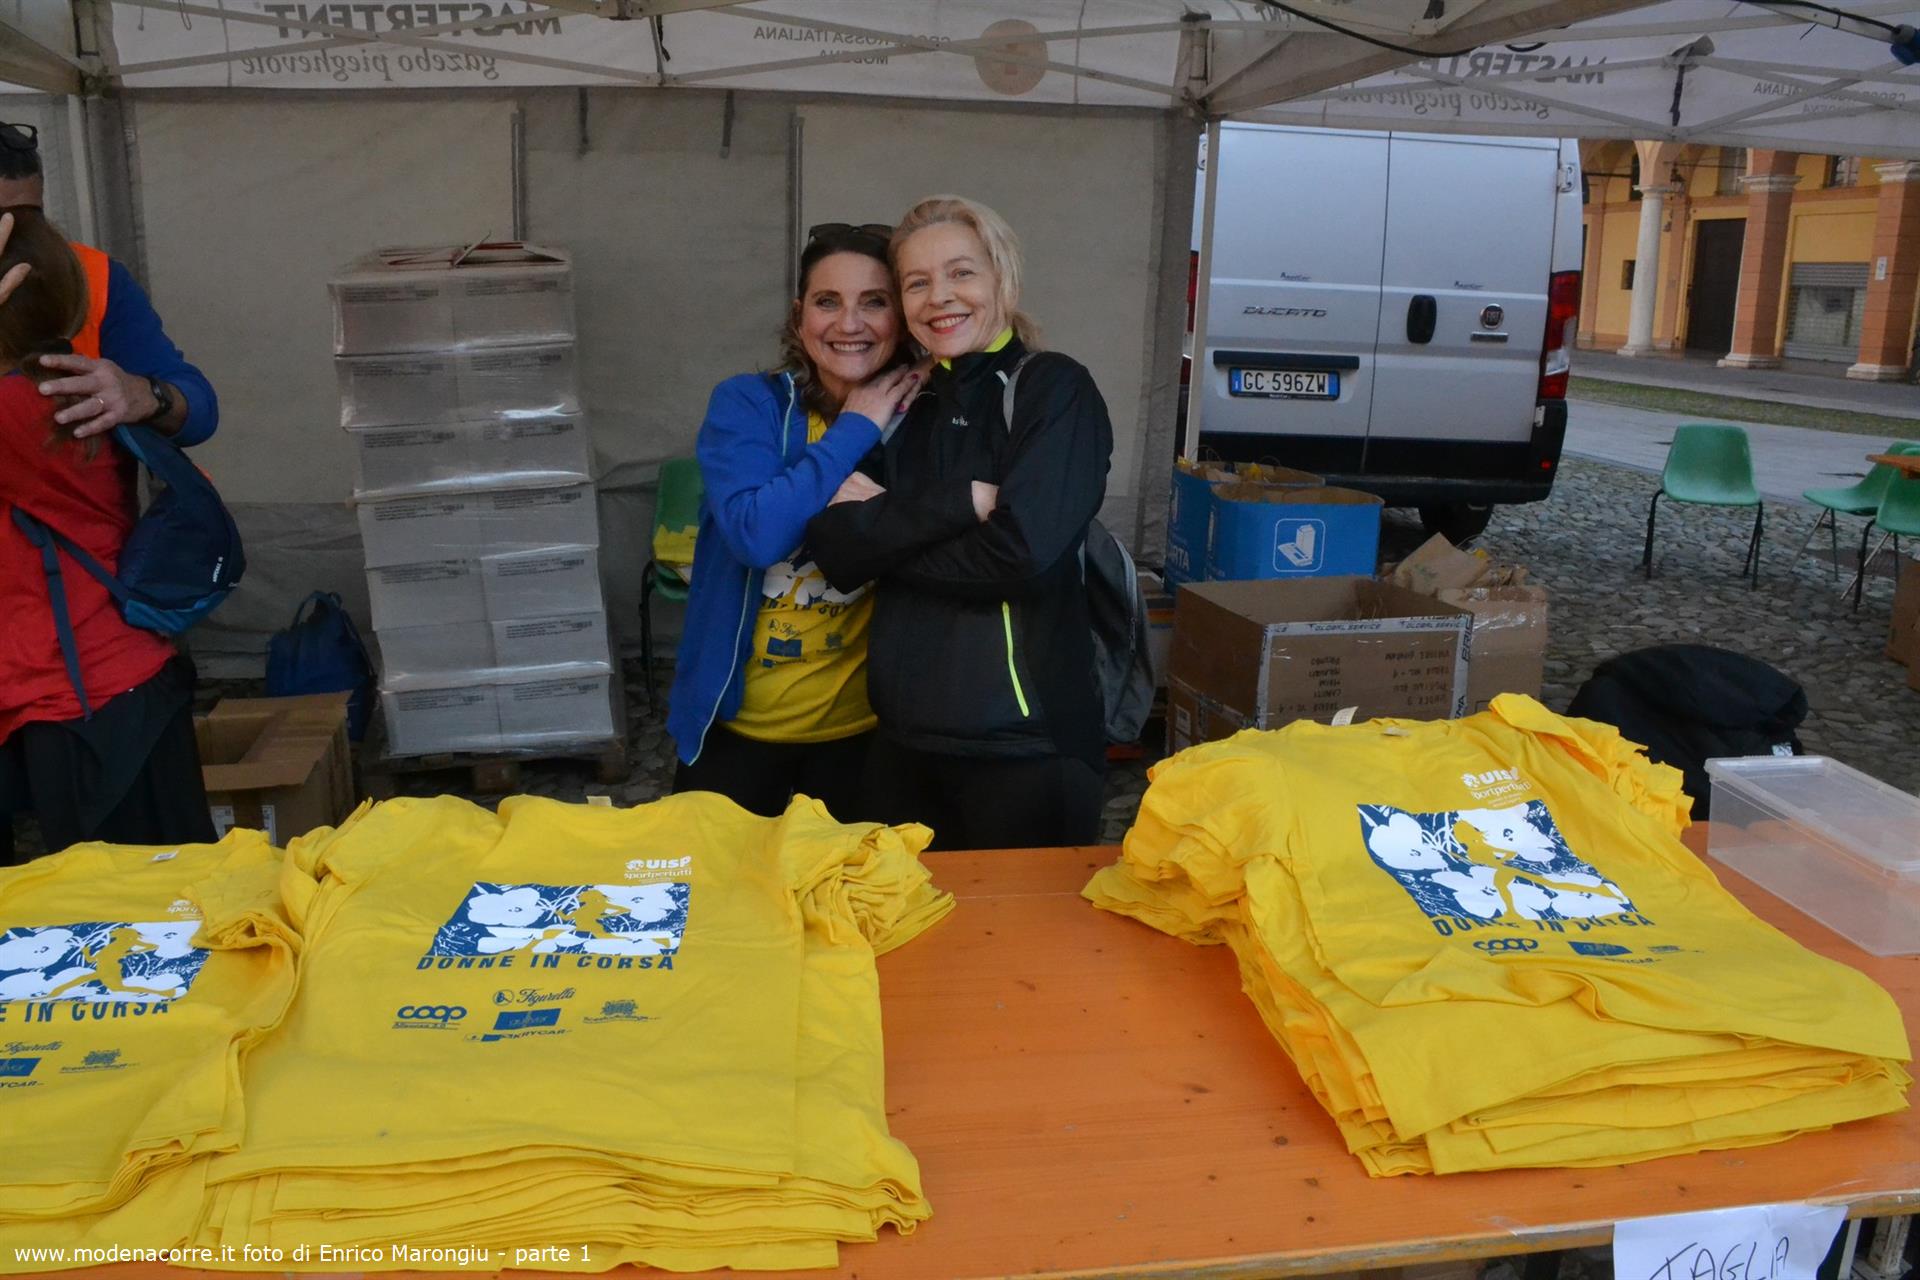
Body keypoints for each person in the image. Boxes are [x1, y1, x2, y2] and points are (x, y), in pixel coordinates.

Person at [806, 196, 1113, 850]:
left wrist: (885, 533)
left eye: (961, 273)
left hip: (1025, 749)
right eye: (917, 283)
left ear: (1002, 277)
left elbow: (1021, 556)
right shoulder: (907, 403)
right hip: (901, 746)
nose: (940, 297)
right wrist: (959, 506)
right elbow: (834, 549)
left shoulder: (1053, 389)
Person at [666, 223, 920, 820]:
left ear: (903, 318)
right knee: (716, 879)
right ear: (799, 315)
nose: (849, 324)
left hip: (868, 731)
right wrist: (856, 427)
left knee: (852, 881)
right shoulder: (748, 404)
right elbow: (756, 535)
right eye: (828, 301)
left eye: (874, 302)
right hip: (737, 726)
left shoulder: (920, 417)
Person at [0, 207, 216, 862]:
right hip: (119, 674)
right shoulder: (73, 384)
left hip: (74, 693)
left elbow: (198, 405)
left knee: (116, 903)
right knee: (164, 896)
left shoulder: (17, 409)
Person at [0, 121, 218, 445]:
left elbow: (198, 408)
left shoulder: (91, 274)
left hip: (73, 471)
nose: (15, 240)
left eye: (29, 220)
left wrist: (144, 394)